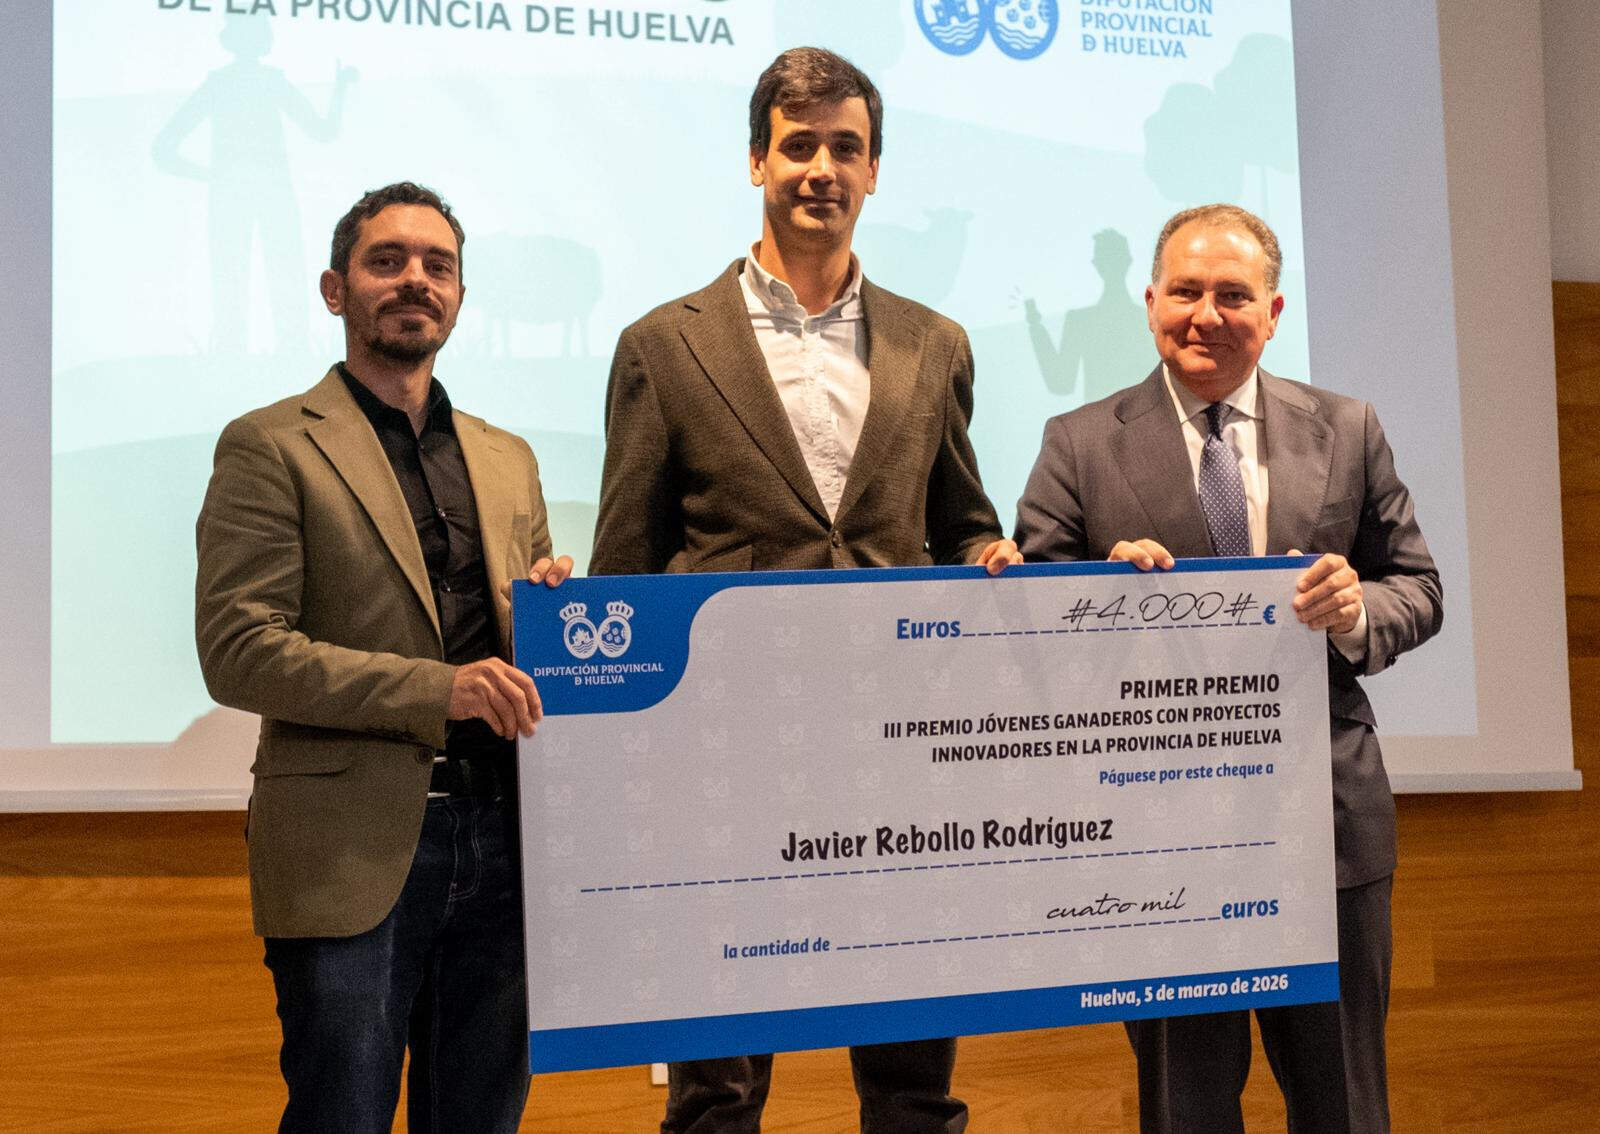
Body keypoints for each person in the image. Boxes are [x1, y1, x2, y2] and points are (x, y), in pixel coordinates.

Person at [591, 46, 1021, 1134]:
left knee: (913, 1077)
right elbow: (624, 567)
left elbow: (962, 521)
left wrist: (987, 557)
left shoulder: (936, 344)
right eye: (797, 147)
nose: (821, 168)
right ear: (756, 162)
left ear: (874, 170)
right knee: (719, 1088)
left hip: (904, 750)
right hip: (722, 756)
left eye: (845, 147)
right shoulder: (661, 345)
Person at [1014, 203, 1442, 1134]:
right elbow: (1024, 627)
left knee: (1343, 1106)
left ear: (1274, 312)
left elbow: (1418, 587)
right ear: (1150, 303)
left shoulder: (1348, 428)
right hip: (1155, 840)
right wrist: (1094, 596)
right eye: (1185, 291)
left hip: (1325, 827)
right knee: (1187, 1110)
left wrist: (1356, 611)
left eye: (1233, 295)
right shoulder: (1077, 442)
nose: (1206, 314)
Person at [194, 181, 571, 1134]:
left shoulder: (508, 456)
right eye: (386, 261)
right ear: (336, 289)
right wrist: (441, 690)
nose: (415, 280)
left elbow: (519, 649)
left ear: (459, 297)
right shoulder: (270, 445)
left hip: (509, 840)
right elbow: (241, 651)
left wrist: (554, 617)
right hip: (348, 849)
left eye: (438, 265)